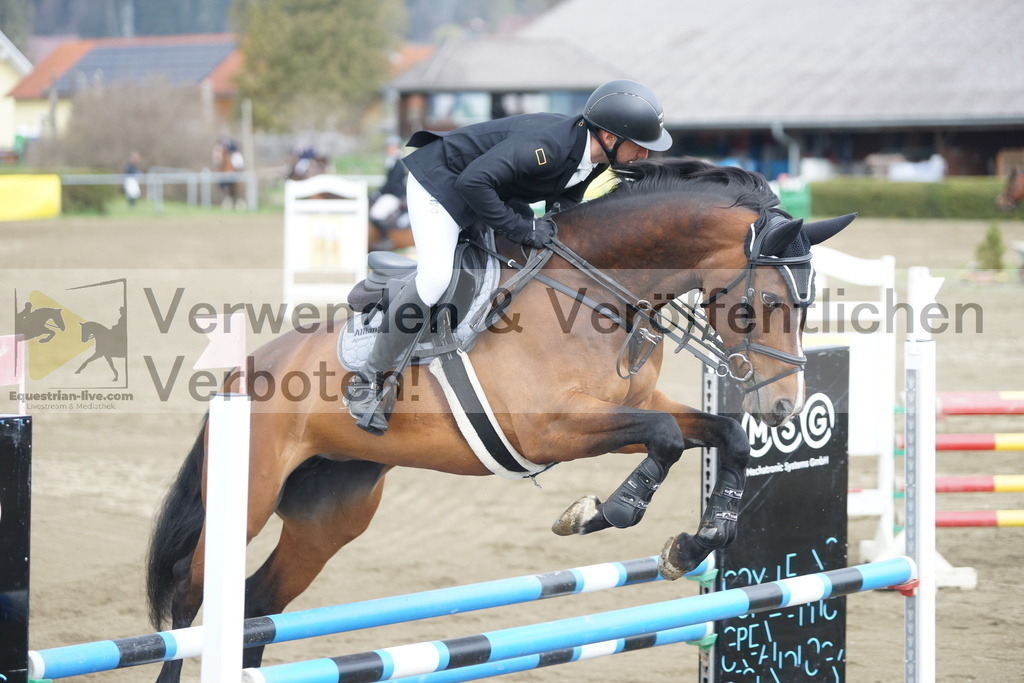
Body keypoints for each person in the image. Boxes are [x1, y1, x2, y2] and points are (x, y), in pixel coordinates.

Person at [346, 79, 673, 435]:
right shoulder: (549, 145)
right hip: (441, 185)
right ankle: (369, 378)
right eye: (640, 146)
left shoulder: (593, 157)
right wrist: (524, 230)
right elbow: (472, 183)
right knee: (436, 278)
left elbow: (564, 200)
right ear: (609, 138)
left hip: (490, 191)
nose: (644, 155)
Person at [368, 136, 409, 246]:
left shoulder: (399, 163)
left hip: (394, 196)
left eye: (390, 147)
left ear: (396, 147)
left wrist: (379, 193)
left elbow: (392, 183)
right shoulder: (391, 162)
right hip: (390, 194)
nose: (387, 149)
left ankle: (386, 239)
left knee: (376, 215)